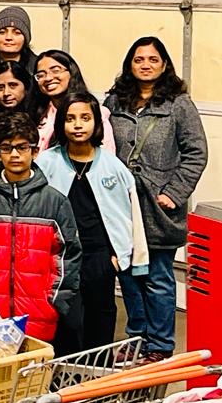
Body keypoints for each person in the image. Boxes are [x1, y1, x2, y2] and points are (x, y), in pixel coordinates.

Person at [105, 37, 208, 362]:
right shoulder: (115, 101)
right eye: (139, 59)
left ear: (164, 64)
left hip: (158, 207)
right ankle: (137, 338)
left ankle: (160, 345)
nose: (145, 65)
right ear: (129, 64)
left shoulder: (179, 104)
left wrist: (174, 193)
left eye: (152, 59)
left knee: (157, 277)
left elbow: (196, 152)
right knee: (128, 275)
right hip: (121, 204)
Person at [0, 112, 81, 344]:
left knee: (35, 368)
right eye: (6, 148)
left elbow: (67, 258)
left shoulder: (55, 202)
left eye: (22, 147)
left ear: (35, 151)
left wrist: (53, 303)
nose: (14, 154)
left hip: (38, 318)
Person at [37, 93, 148, 353]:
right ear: (61, 124)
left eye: (85, 118)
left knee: (100, 316)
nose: (78, 125)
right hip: (59, 256)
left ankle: (97, 372)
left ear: (97, 122)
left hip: (100, 255)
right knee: (66, 318)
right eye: (70, 119)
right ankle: (64, 373)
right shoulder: (46, 162)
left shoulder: (113, 166)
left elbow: (130, 213)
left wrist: (121, 257)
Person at [30, 50, 116, 152]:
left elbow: (106, 154)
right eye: (41, 75)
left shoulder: (93, 112)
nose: (48, 78)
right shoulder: (35, 114)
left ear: (71, 72)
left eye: (55, 71)